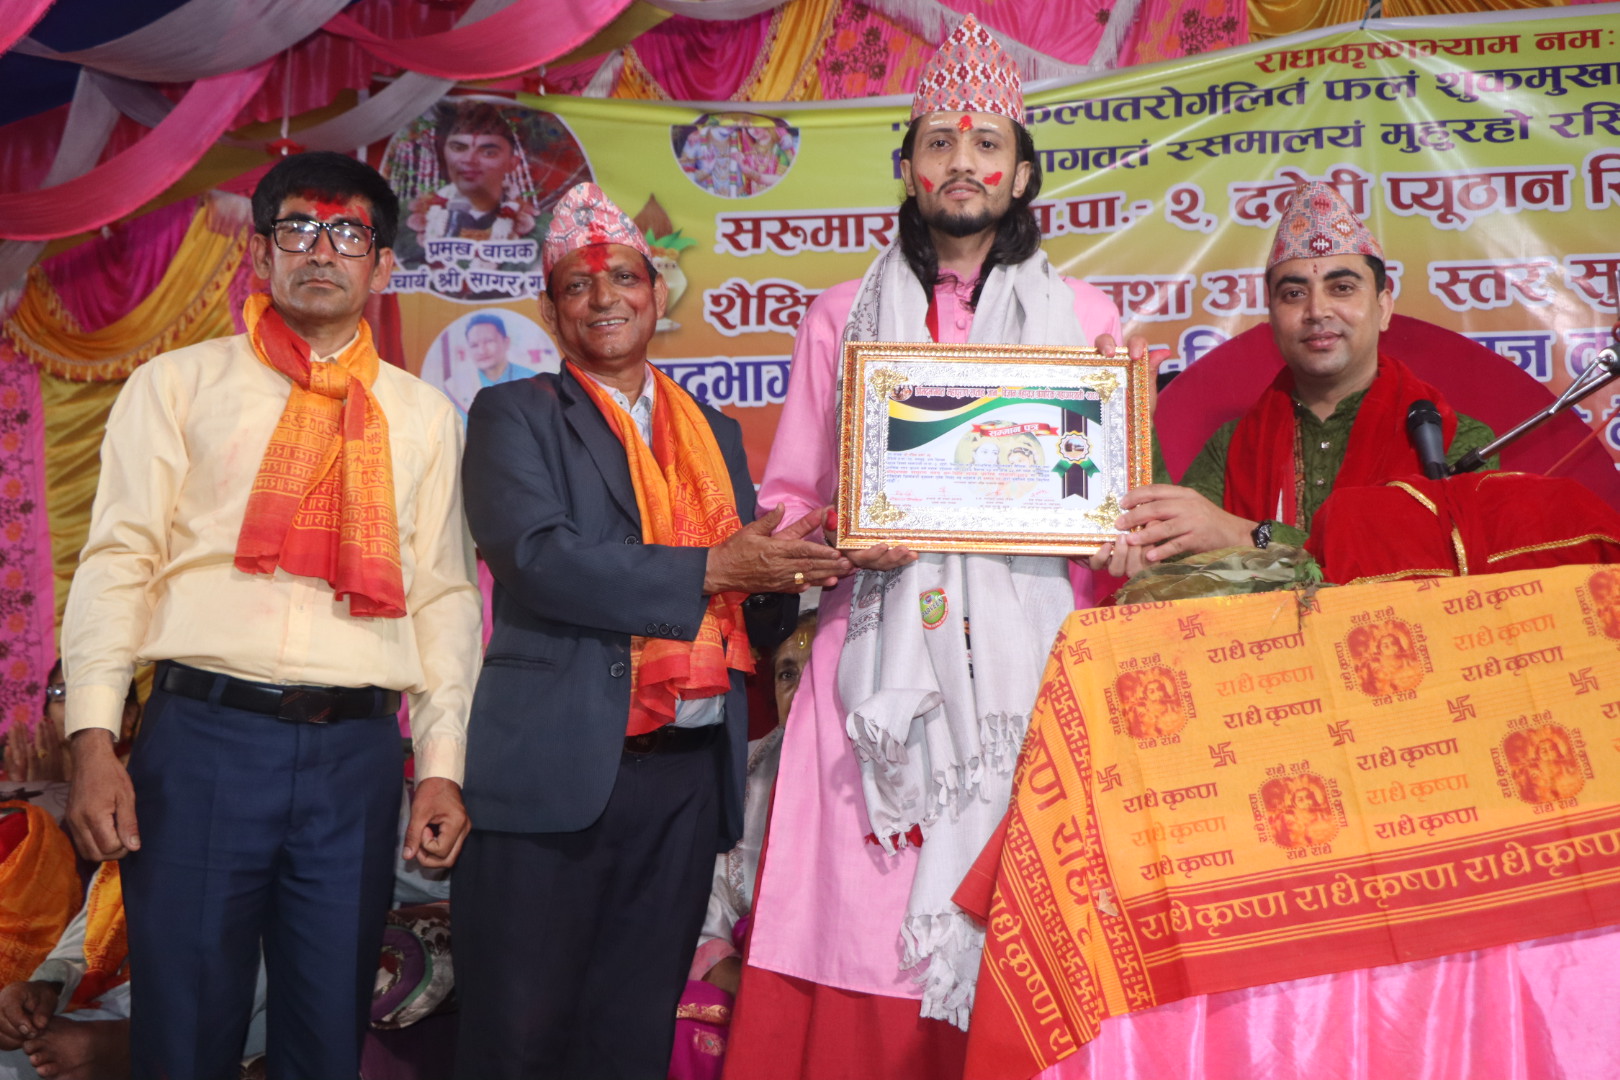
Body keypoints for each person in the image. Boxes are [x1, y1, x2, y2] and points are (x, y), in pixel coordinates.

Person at [725, 16, 1124, 1079]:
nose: (962, 162)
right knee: (864, 917)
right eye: (939, 143)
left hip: (1034, 663)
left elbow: (1109, 512)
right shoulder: (839, 317)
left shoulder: (1086, 317)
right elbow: (790, 503)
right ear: (907, 168)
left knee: (1027, 913)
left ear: (1022, 173)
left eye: (987, 144)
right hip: (876, 671)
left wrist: (1113, 523)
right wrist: (843, 536)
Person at [57, 150, 482, 1080]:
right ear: (260, 254)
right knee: (184, 1033)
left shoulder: (422, 416)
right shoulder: (177, 385)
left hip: (356, 760)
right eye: (298, 229)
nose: (321, 251)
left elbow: (446, 598)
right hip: (203, 743)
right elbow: (118, 564)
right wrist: (91, 740)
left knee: (325, 1035)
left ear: (382, 266)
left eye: (348, 234)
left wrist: (442, 767)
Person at [452, 181, 846, 1080]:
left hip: (685, 782)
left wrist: (821, 559)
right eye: (579, 285)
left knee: (630, 1038)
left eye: (624, 278)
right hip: (556, 772)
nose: (605, 298)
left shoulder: (712, 431)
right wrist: (714, 569)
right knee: (518, 1037)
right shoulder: (514, 416)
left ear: (656, 293)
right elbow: (540, 559)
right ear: (550, 311)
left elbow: (751, 602)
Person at [1093, 181, 1496, 577]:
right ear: (1271, 316)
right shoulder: (1232, 447)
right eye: (1294, 294)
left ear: (1384, 307)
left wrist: (1246, 535)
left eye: (1341, 288)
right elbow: (1174, 558)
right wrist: (1130, 423)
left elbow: (1447, 562)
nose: (1317, 310)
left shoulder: (1451, 442)